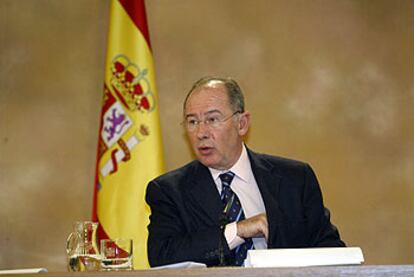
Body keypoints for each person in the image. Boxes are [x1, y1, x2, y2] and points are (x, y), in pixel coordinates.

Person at [145, 76, 345, 267]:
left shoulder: (294, 179)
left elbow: (330, 249)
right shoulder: (169, 191)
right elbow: (163, 256)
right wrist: (238, 230)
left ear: (242, 124)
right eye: (192, 122)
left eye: (212, 119)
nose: (201, 133)